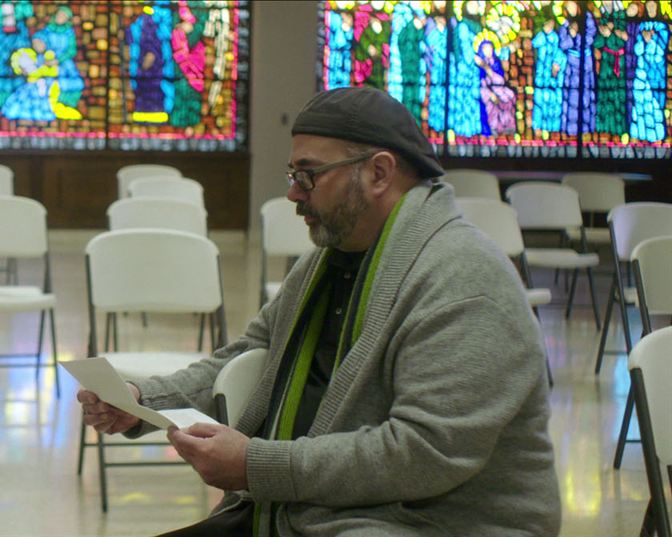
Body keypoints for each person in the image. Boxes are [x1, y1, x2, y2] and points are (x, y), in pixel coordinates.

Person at [79, 87, 560, 536]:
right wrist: (142, 401)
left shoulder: (464, 278)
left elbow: (426, 452)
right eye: (293, 176)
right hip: (318, 511)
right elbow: (254, 353)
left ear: (378, 173)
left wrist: (255, 466)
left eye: (308, 175)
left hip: (425, 523)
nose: (294, 193)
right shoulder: (330, 260)